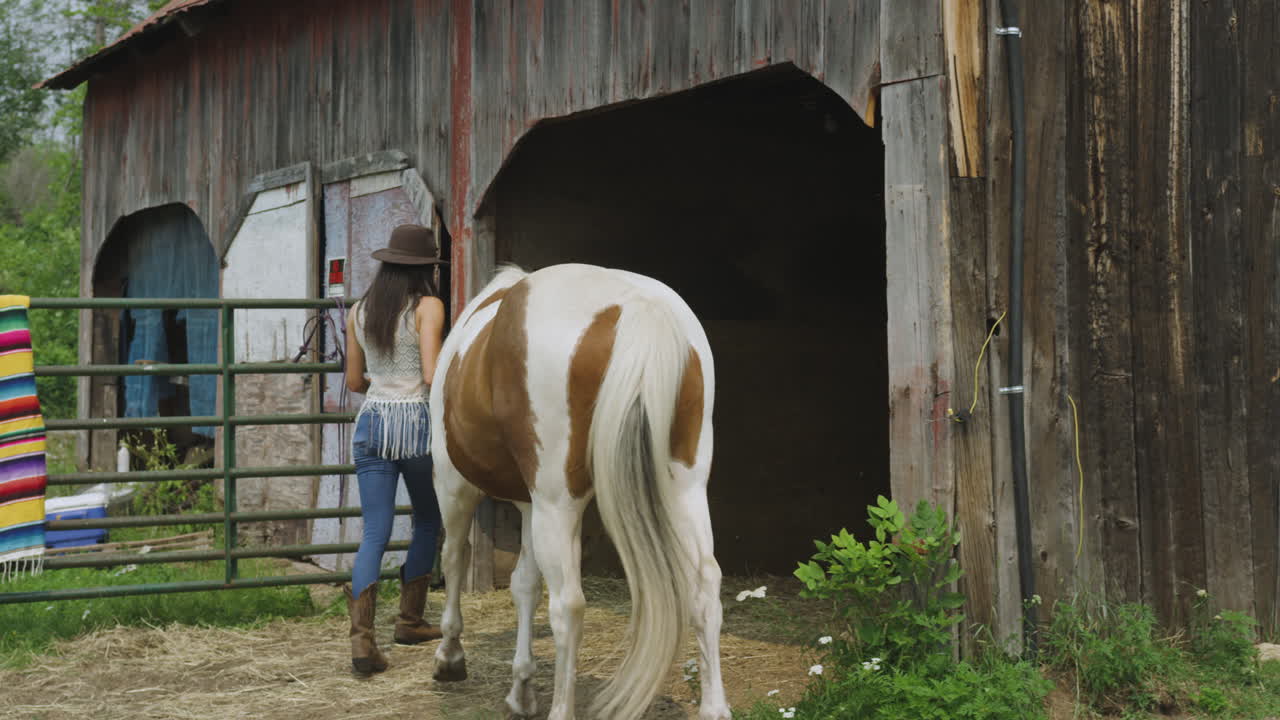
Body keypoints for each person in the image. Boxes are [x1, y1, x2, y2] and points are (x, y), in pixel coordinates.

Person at [343, 223, 447, 675]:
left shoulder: (360, 309)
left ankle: (363, 642)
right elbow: (430, 372)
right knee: (427, 519)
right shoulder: (428, 306)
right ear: (426, 268)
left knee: (374, 532)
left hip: (370, 424)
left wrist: (381, 383)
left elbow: (352, 382)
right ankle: (410, 621)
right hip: (415, 425)